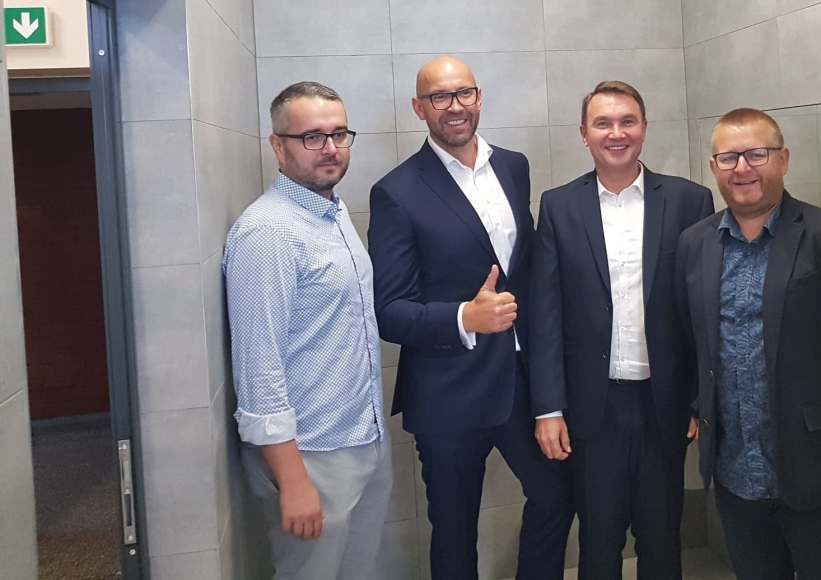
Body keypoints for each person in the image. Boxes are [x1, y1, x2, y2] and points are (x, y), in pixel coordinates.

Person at [367, 56, 573, 580]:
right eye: (439, 97)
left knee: (557, 494)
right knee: (455, 529)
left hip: (522, 382)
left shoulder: (514, 166)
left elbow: (524, 267)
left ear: (479, 98)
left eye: (463, 93)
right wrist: (464, 317)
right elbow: (389, 311)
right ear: (419, 108)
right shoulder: (396, 192)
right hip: (447, 392)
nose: (454, 106)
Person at [675, 107, 821, 580]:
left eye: (757, 154)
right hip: (736, 474)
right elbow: (691, 337)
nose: (743, 168)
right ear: (714, 167)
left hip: (818, 467)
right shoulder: (695, 244)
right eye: (729, 157)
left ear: (783, 159)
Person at [528, 80, 714, 579]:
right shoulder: (559, 206)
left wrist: (699, 400)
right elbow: (545, 316)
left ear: (644, 129)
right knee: (599, 542)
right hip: (592, 408)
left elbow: (703, 313)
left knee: (662, 539)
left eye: (627, 121)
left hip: (665, 405)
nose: (616, 133)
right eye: (603, 123)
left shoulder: (689, 201)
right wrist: (548, 408)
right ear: (583, 133)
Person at [223, 81, 391, 580]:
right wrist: (293, 480)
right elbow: (259, 368)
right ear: (278, 146)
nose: (331, 148)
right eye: (312, 137)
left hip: (361, 439)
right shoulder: (269, 233)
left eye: (339, 134)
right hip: (311, 456)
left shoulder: (330, 213)